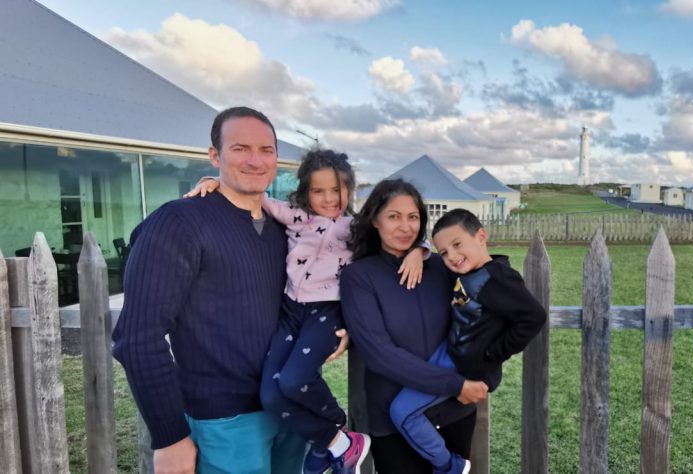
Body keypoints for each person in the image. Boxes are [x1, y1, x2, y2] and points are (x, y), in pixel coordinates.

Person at [112, 106, 341, 473]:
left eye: (266, 150)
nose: (255, 160)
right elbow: (138, 338)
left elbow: (318, 292)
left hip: (290, 413)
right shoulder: (178, 224)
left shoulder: (289, 231)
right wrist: (169, 437)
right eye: (240, 148)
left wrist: (339, 333)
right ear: (215, 155)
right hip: (225, 423)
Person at [184, 149, 429, 473]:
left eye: (337, 190)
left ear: (349, 190)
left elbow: (394, 231)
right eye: (318, 190)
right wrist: (216, 183)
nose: (329, 199)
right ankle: (337, 443)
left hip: (327, 312)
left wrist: (419, 250)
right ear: (305, 192)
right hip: (290, 311)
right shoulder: (294, 215)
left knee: (294, 379)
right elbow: (252, 197)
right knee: (270, 395)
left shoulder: (354, 227)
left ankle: (335, 423)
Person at [339, 179, 490, 473]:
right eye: (393, 216)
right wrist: (454, 384)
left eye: (413, 217)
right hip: (392, 419)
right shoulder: (359, 277)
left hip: (453, 411)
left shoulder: (441, 267)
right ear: (374, 221)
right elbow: (379, 353)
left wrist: (422, 251)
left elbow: (483, 303)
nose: (405, 227)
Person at [389, 208, 547, 473]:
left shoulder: (496, 278)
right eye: (445, 252)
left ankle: (449, 465)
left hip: (466, 366)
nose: (452, 256)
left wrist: (492, 354)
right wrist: (418, 251)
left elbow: (533, 317)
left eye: (457, 244)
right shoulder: (470, 270)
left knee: (402, 412)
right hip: (449, 353)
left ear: (481, 236)